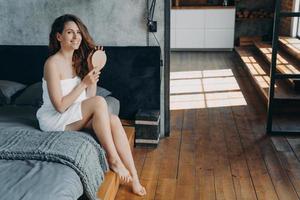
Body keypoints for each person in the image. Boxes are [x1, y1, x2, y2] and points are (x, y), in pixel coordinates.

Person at [36, 14, 146, 196]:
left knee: (114, 121)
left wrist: (92, 71)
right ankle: (113, 158)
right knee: (100, 103)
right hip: (55, 119)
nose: (75, 37)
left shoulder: (76, 61)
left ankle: (134, 177)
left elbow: (90, 98)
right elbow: (60, 107)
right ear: (59, 37)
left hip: (72, 112)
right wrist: (83, 83)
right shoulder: (51, 64)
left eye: (78, 32)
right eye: (70, 32)